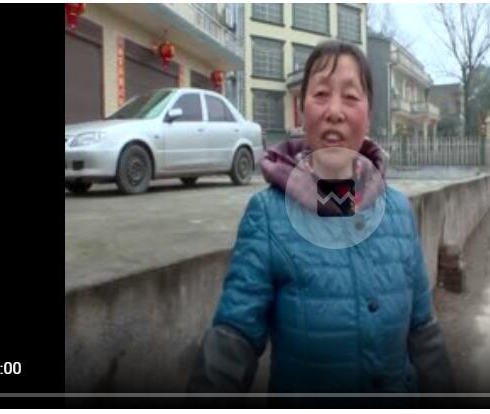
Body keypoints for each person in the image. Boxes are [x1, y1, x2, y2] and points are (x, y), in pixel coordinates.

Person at [187, 40, 455, 393]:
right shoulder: (267, 216)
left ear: (368, 114)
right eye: (321, 94)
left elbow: (424, 333)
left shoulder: (398, 213)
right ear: (302, 111)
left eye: (351, 96)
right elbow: (231, 343)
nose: (334, 111)